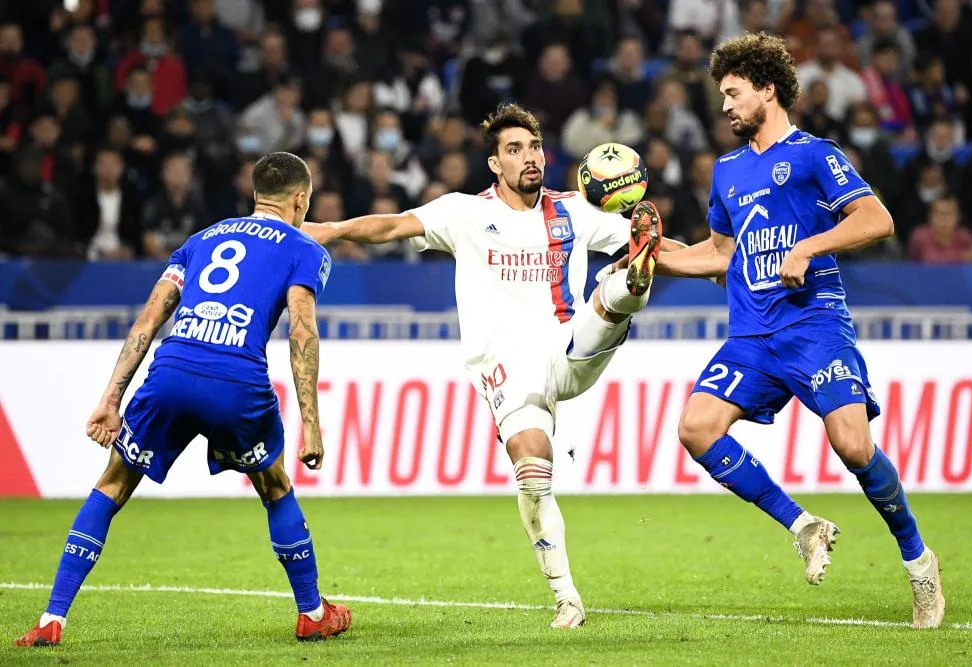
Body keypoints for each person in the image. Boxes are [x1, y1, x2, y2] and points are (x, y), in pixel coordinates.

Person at [303, 103, 678, 629]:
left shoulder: (574, 210)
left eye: (535, 147)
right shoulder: (464, 212)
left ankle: (628, 287)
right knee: (533, 467)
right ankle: (567, 598)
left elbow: (667, 251)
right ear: (495, 164)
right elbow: (391, 225)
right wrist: (331, 229)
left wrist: (717, 264)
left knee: (625, 279)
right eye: (515, 149)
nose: (529, 157)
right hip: (507, 365)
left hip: (570, 347)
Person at [630, 33, 944, 629]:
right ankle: (804, 526)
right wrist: (652, 255)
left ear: (767, 90)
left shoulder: (812, 154)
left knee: (853, 446)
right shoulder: (726, 171)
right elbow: (721, 252)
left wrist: (808, 245)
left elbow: (877, 219)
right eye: (722, 95)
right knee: (695, 428)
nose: (724, 106)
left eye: (733, 93)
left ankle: (918, 559)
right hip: (751, 337)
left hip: (814, 326)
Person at [14, 152, 351, 647]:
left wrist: (111, 397)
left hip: (170, 372)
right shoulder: (304, 248)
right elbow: (302, 330)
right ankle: (312, 612)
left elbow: (149, 321)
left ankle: (51, 619)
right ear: (301, 199)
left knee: (111, 485)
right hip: (237, 382)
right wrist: (312, 423)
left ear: (255, 194)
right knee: (274, 485)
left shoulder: (200, 240)